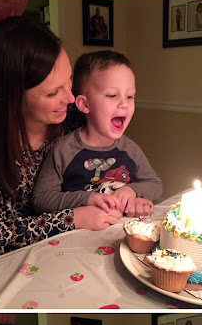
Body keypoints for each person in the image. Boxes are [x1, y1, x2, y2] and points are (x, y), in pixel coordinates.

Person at [0, 16, 125, 259]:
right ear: (10, 99)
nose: (70, 98)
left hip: (83, 246)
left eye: (69, 80)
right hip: (21, 260)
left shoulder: (75, 119)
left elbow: (114, 167)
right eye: (53, 92)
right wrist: (71, 219)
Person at [32, 51, 162, 214]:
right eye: (112, 95)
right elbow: (41, 199)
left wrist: (132, 191)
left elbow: (155, 185)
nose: (124, 104)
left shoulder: (130, 149)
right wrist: (87, 199)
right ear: (85, 104)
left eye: (130, 96)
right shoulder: (64, 151)